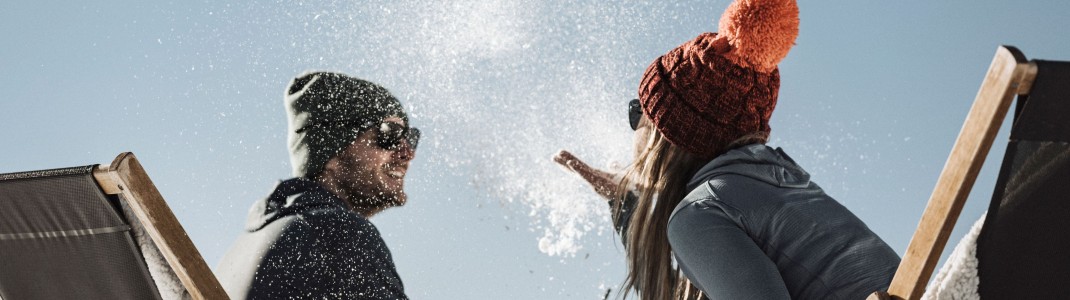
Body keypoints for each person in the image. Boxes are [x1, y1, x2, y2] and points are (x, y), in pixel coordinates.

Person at [554, 0, 901, 299]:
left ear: (665, 131)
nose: (632, 129)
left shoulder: (700, 213)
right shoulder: (777, 182)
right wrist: (627, 210)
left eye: (636, 112)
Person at [217, 71, 418, 299]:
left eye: (411, 138)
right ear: (331, 150)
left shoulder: (242, 250)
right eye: (390, 134)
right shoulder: (337, 232)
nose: (407, 153)